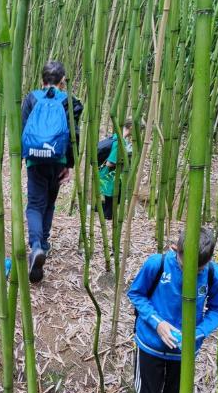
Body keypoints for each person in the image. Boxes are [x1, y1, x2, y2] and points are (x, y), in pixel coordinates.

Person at [127, 227, 218, 393]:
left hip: (185, 351)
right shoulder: (157, 264)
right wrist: (157, 322)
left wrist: (196, 332)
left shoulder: (214, 275)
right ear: (175, 250)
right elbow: (136, 294)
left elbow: (217, 310)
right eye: (184, 266)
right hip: (151, 344)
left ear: (208, 262)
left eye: (198, 270)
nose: (192, 274)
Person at [21, 60, 83, 283]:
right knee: (49, 202)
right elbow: (74, 135)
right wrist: (69, 165)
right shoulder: (69, 102)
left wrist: (23, 156)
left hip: (35, 161)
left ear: (42, 80)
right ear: (63, 81)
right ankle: (43, 244)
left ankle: (36, 245)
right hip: (58, 159)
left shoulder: (31, 98)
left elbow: (24, 128)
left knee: (34, 205)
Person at [98, 118, 134, 220]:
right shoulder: (120, 142)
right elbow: (110, 163)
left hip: (106, 176)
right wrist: (125, 160)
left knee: (112, 203)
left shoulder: (115, 137)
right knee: (110, 209)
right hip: (109, 178)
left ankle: (95, 210)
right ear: (131, 128)